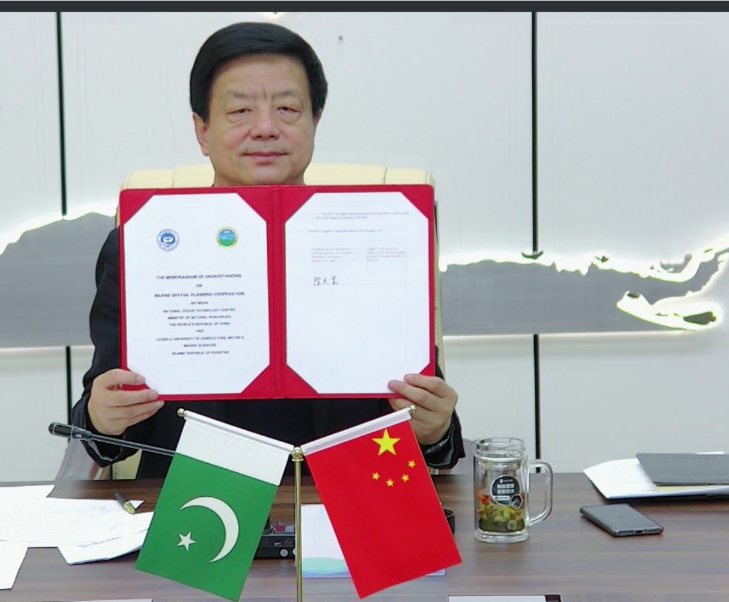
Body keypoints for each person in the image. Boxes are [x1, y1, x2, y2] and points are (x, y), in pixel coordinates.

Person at [69, 22, 465, 478]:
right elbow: (102, 434)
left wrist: (435, 428)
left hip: (351, 496)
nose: (264, 128)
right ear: (202, 130)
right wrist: (103, 417)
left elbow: (432, 428)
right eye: (240, 110)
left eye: (287, 109)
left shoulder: (379, 239)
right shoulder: (140, 245)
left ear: (315, 122)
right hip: (196, 506)